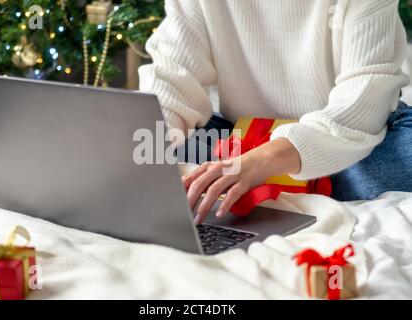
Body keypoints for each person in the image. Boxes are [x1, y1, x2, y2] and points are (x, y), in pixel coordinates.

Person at [139, 0, 412, 224]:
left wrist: (262, 161)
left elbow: (364, 99)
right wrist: (146, 146)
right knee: (154, 146)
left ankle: (255, 181)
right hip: (241, 140)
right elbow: (172, 77)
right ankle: (254, 181)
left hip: (350, 140)